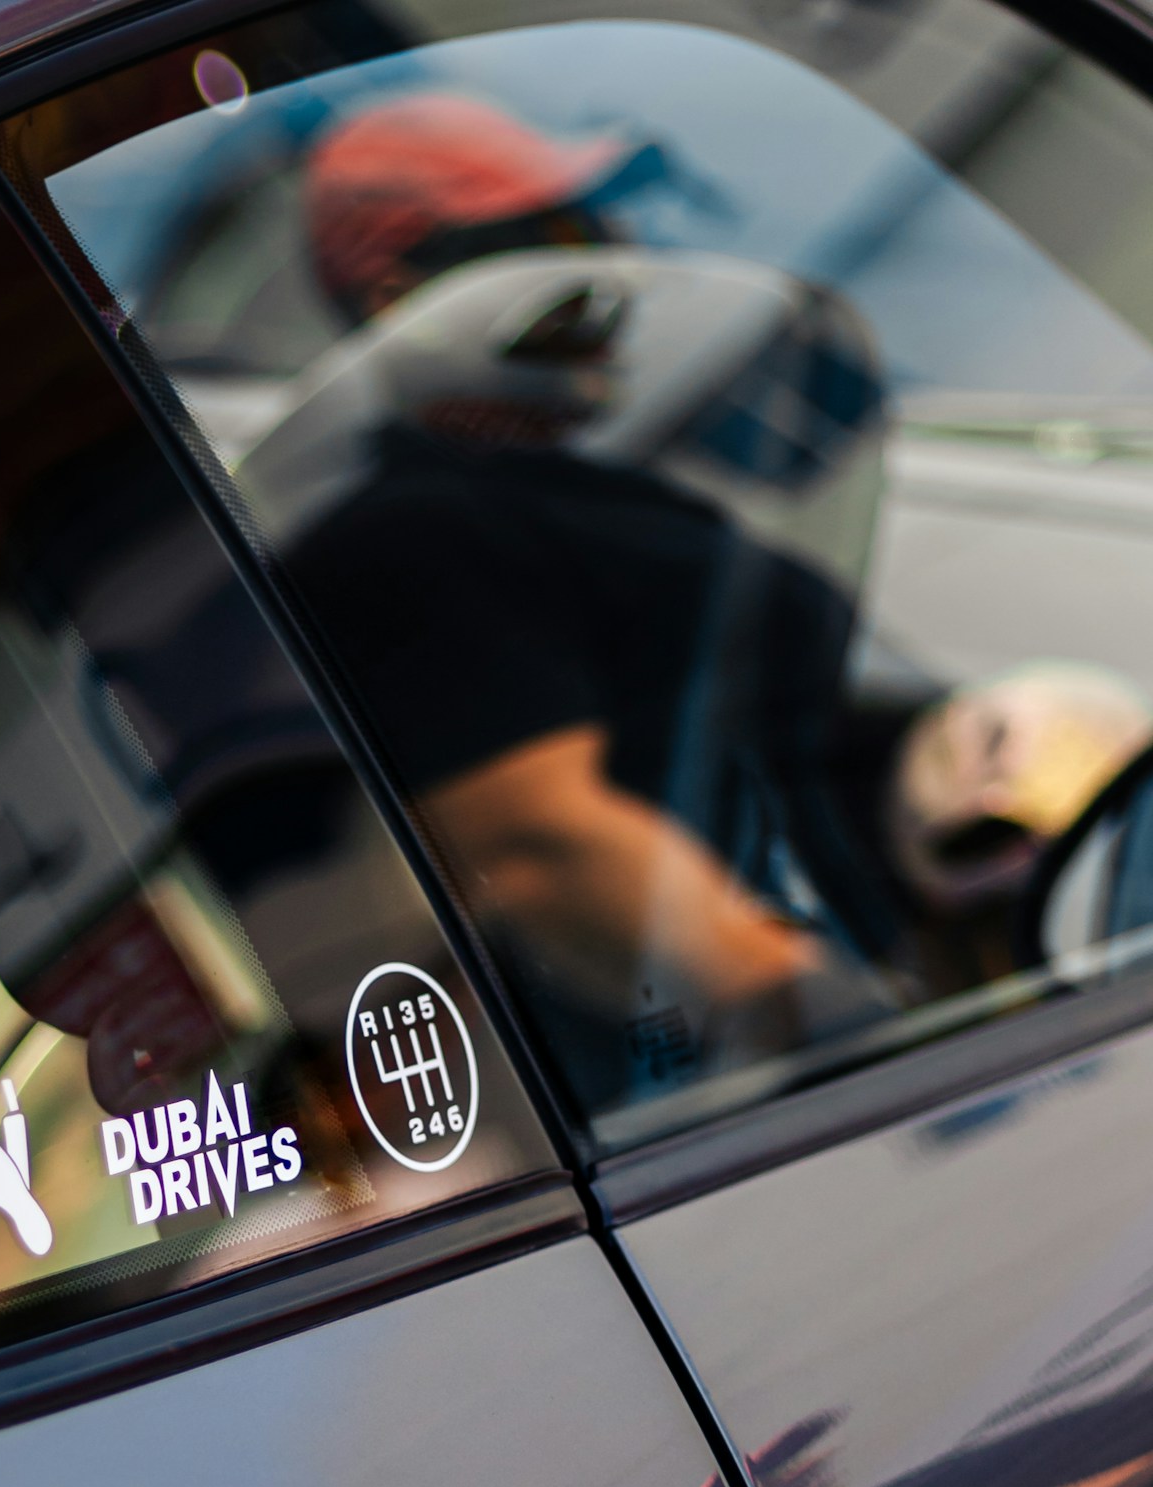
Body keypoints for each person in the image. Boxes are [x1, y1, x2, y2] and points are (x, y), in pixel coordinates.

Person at [272, 93, 898, 1109]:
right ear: (399, 295)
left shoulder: (584, 493)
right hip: (763, 1092)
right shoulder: (406, 537)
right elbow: (540, 846)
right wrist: (814, 1009)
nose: (605, 271)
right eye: (551, 243)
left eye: (597, 234)